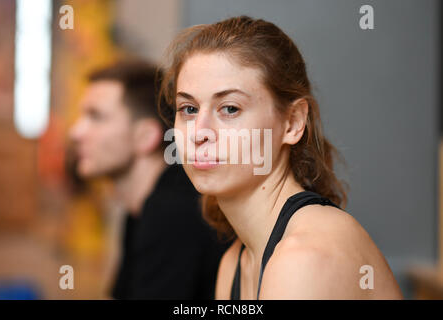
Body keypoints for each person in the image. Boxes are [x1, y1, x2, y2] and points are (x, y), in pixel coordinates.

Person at [158, 16, 403, 299]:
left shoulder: (303, 258)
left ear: (293, 122)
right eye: (188, 109)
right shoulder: (234, 261)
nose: (199, 133)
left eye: (230, 109)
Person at [69, 60, 228, 299]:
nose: (76, 132)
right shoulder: (142, 208)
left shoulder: (171, 211)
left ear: (145, 137)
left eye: (96, 116)